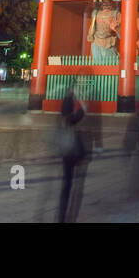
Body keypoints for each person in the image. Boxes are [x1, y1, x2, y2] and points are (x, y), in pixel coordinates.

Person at [56, 87, 87, 222]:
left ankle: (61, 216)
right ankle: (70, 213)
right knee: (75, 184)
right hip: (75, 153)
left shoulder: (60, 120)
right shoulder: (73, 118)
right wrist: (79, 97)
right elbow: (85, 108)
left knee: (66, 183)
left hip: (64, 153)